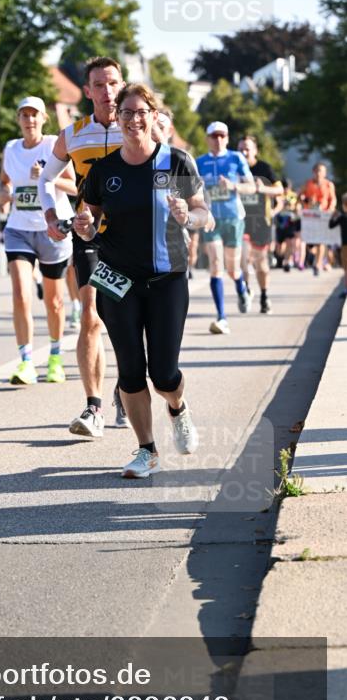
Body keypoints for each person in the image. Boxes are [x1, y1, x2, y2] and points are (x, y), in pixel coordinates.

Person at [75, 82, 210, 478]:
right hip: (117, 279)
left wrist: (189, 216)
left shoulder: (177, 162)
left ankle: (177, 407)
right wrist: (85, 229)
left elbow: (206, 216)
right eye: (126, 113)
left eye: (141, 112)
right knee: (131, 369)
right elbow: (91, 218)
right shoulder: (105, 170)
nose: (134, 120)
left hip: (167, 278)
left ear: (154, 116)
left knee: (164, 373)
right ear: (117, 119)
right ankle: (146, 449)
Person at [38, 56, 129, 436]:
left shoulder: (139, 127)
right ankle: (93, 407)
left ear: (121, 85)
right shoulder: (73, 134)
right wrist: (50, 218)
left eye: (113, 82)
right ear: (87, 91)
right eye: (99, 84)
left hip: (132, 238)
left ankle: (128, 387)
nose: (107, 91)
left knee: (127, 320)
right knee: (90, 313)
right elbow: (45, 179)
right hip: (89, 235)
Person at [0, 95, 76, 385]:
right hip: (18, 228)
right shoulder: (11, 149)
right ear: (18, 119)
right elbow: (5, 182)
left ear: (44, 119)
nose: (29, 120)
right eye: (24, 115)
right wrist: (3, 195)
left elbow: (75, 186)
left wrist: (48, 177)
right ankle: (26, 362)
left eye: (35, 115)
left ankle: (55, 357)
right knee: (20, 293)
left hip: (52, 228)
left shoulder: (53, 144)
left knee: (54, 301)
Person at [196, 122, 255, 334]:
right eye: (214, 136)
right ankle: (222, 317)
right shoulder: (199, 162)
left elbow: (252, 186)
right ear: (208, 138)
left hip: (233, 218)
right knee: (215, 264)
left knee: (232, 269)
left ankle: (242, 289)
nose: (218, 139)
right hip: (211, 220)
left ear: (227, 138)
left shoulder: (236, 158)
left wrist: (233, 186)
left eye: (222, 136)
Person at [237, 136, 284, 314]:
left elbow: (279, 190)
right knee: (242, 258)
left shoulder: (264, 169)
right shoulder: (234, 167)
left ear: (255, 151)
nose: (244, 152)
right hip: (240, 220)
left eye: (248, 148)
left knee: (260, 263)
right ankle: (246, 288)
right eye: (241, 148)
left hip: (260, 221)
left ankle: (264, 295)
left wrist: (261, 189)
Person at [300, 162, 337, 276]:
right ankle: (314, 258)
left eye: (321, 171)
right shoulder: (308, 184)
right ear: (313, 172)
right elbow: (301, 197)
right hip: (311, 215)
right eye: (317, 171)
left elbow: (333, 199)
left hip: (323, 216)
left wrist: (330, 209)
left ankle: (318, 264)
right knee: (310, 243)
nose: (319, 173)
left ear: (325, 173)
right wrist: (306, 201)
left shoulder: (329, 185)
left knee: (321, 241)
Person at [329, 193, 347, 298]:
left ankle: (346, 289)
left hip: (345, 246)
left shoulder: (342, 217)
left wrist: (332, 216)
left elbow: (331, 226)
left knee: (346, 269)